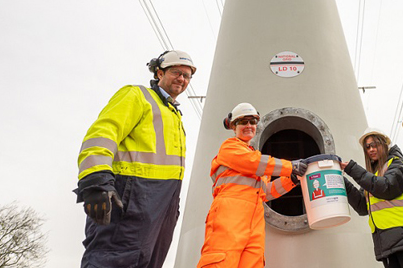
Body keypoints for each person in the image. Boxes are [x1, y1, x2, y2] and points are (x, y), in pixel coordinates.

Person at [75, 50, 196, 268]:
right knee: (113, 260)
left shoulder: (173, 114)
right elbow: (103, 132)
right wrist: (96, 180)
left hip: (164, 202)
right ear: (159, 73)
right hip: (131, 196)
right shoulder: (137, 96)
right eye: (176, 72)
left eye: (187, 76)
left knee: (147, 261)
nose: (182, 79)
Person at [197, 102, 308, 268]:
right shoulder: (230, 147)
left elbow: (265, 192)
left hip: (255, 217)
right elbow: (253, 163)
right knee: (222, 260)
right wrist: (291, 167)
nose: (249, 125)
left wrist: (291, 179)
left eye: (252, 121)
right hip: (230, 214)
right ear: (234, 127)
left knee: (252, 263)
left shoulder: (257, 160)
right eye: (243, 122)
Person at [341, 128, 403, 268]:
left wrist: (352, 169)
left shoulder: (397, 165)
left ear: (385, 144)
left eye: (375, 144)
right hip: (385, 241)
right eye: (367, 147)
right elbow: (362, 206)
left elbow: (387, 188)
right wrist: (342, 180)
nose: (371, 149)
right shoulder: (374, 175)